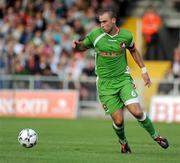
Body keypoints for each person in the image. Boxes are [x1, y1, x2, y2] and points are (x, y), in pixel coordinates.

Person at [72, 9, 169, 154]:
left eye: (104, 21)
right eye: (100, 22)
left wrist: (143, 70)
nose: (102, 25)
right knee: (118, 121)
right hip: (105, 84)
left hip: (123, 79)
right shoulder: (95, 35)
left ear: (113, 20)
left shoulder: (126, 36)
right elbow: (82, 47)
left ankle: (156, 136)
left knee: (136, 112)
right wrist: (77, 46)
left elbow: (134, 51)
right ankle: (124, 143)